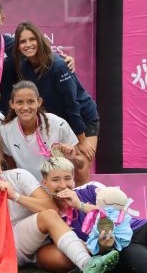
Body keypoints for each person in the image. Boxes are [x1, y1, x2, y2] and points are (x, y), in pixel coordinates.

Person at [0, 136, 119, 273]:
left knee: (63, 259)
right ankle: (5, 272)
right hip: (3, 248)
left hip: (36, 243)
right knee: (60, 248)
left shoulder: (17, 176)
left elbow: (50, 209)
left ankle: (89, 263)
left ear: (0, 168)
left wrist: (14, 196)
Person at [39, 157, 147, 273]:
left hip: (138, 228)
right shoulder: (51, 219)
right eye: (56, 180)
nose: (63, 184)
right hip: (116, 250)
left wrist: (80, 205)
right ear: (44, 183)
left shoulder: (90, 188)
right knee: (138, 258)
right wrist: (103, 246)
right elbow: (84, 251)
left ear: (73, 177)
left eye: (67, 178)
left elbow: (118, 213)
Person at [14, 22, 99, 184]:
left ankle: (84, 209)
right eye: (23, 41)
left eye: (32, 39)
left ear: (39, 40)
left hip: (83, 120)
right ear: (17, 46)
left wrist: (82, 141)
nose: (28, 44)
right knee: (60, 172)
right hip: (58, 124)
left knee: (80, 170)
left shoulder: (58, 65)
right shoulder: (24, 67)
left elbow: (72, 104)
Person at [0, 0, 74, 115]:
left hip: (15, 116)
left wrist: (63, 60)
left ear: (2, 19)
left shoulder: (15, 46)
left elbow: (38, 55)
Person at [0, 81, 84, 182]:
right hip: (29, 191)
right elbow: (12, 168)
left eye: (31, 101)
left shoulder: (58, 124)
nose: (25, 107)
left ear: (39, 102)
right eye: (19, 102)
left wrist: (72, 158)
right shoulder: (5, 131)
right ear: (12, 104)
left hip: (59, 188)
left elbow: (81, 164)